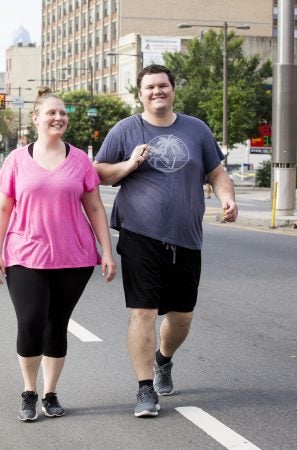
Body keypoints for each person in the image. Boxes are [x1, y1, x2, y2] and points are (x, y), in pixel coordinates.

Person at [94, 64, 238, 418]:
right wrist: (129, 165)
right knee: (142, 311)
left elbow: (216, 171)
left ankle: (164, 359)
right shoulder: (125, 129)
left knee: (182, 315)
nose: (157, 92)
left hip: (187, 237)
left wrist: (227, 197)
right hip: (139, 234)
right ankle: (145, 390)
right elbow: (98, 172)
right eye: (150, 88)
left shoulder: (196, 129)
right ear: (140, 94)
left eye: (163, 86)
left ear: (173, 90)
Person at [0, 87, 116, 422]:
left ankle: (50, 392)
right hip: (24, 254)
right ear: (36, 119)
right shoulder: (16, 160)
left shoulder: (80, 160)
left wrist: (107, 251)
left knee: (57, 325)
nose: (58, 118)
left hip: (74, 257)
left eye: (62, 113)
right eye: (51, 113)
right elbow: (3, 209)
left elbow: (95, 208)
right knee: (31, 322)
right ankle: (29, 391)